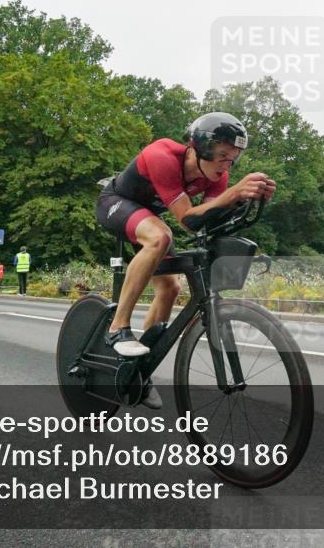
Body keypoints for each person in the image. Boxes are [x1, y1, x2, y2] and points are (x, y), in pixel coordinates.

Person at [95, 112, 275, 409]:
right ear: (200, 147)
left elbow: (207, 221)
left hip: (148, 215)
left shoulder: (219, 177)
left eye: (233, 159)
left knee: (171, 288)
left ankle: (140, 368)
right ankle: (118, 328)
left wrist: (244, 199)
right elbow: (188, 221)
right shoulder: (163, 154)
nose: (226, 165)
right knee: (160, 237)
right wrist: (233, 194)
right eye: (221, 155)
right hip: (116, 202)